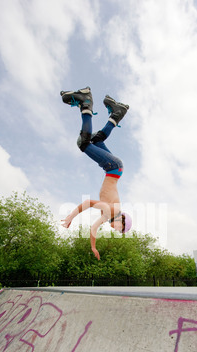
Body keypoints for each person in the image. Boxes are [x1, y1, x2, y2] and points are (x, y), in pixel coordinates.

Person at [60, 86, 132, 260]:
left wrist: (93, 247)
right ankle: (85, 102)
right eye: (120, 230)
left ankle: (117, 113)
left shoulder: (108, 216)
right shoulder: (112, 211)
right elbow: (89, 202)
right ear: (121, 221)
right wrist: (71, 216)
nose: (116, 231)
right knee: (83, 144)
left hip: (115, 168)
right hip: (112, 166)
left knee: (95, 140)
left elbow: (93, 229)